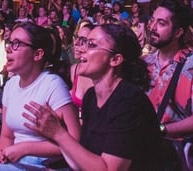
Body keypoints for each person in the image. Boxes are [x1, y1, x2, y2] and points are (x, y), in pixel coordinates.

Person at [21, 23, 166, 170]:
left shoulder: (130, 101)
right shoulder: (91, 97)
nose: (82, 49)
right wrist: (56, 132)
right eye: (84, 42)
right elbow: (83, 162)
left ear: (115, 60)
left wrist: (59, 134)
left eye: (91, 44)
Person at [0, 22, 81, 169]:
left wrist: (24, 149)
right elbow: (6, 137)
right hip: (14, 162)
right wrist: (1, 155)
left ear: (37, 54)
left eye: (16, 44)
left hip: (42, 165)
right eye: (9, 42)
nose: (8, 48)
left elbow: (74, 142)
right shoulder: (11, 85)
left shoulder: (53, 85)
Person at [144, 1, 193, 145]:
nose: (152, 27)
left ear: (178, 32)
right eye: (152, 21)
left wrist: (160, 129)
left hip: (172, 147)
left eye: (161, 23)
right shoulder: (146, 62)